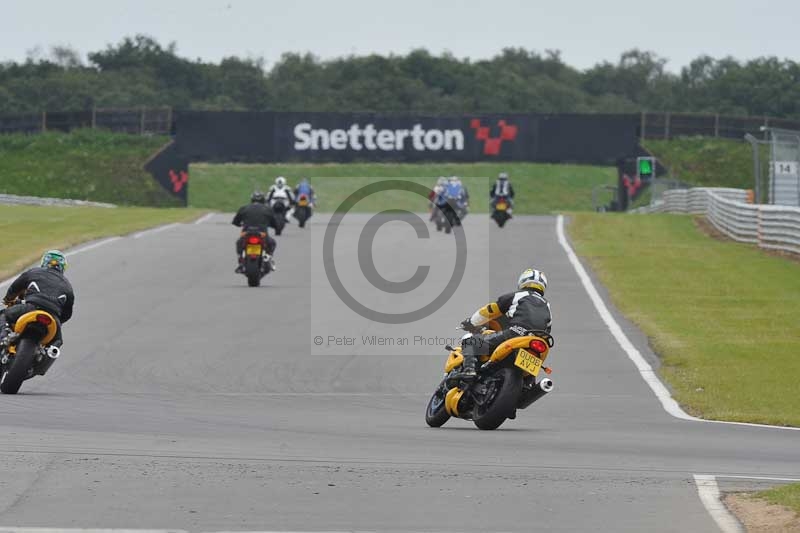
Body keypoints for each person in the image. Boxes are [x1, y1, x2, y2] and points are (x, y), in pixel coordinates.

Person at [456, 268, 551, 380]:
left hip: (516, 333)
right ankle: (528, 385)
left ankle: (469, 371)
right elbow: (548, 328)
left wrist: (471, 322)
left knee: (470, 342)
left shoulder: (518, 295)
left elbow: (490, 310)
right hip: (538, 341)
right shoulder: (547, 305)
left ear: (523, 281)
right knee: (529, 375)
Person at [1, 250, 74, 349]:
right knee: (57, 342)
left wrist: (8, 300)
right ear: (63, 267)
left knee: (3, 314)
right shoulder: (68, 285)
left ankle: (4, 338)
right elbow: (67, 314)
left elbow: (15, 287)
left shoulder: (34, 272)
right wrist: (58, 321)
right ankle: (45, 356)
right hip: (53, 317)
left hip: (31, 307)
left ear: (44, 262)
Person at [232, 191, 278, 272]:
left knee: (239, 243)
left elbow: (235, 222)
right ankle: (267, 257)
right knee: (272, 243)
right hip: (262, 234)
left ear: (252, 199)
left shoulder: (244, 208)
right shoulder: (268, 209)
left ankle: (241, 262)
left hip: (247, 233)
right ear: (263, 199)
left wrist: (240, 224)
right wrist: (273, 226)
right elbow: (275, 223)